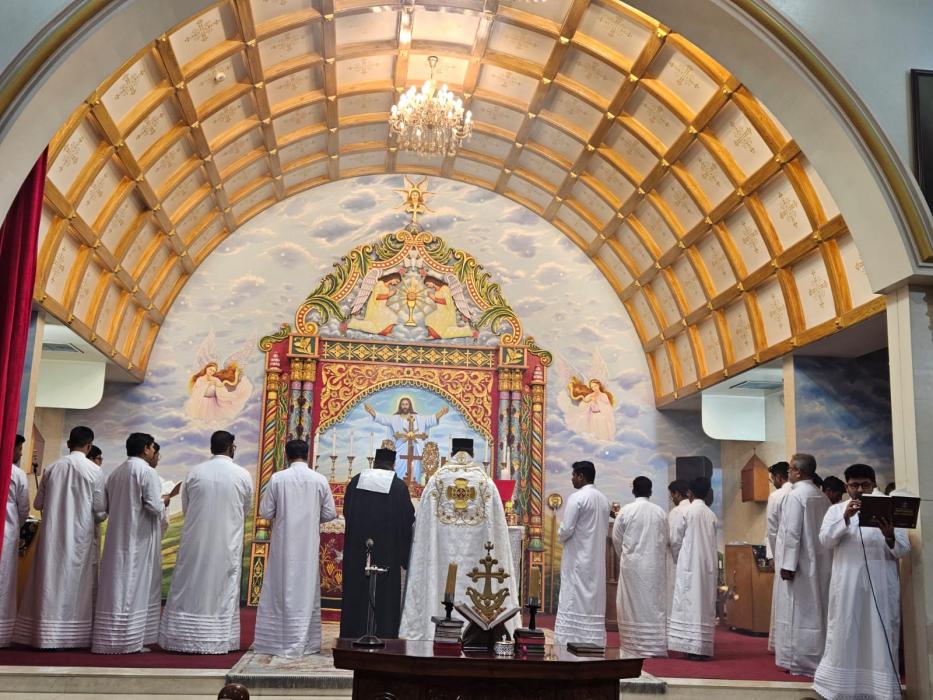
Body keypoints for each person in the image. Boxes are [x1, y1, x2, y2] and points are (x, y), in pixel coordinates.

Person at [399, 438, 516, 640]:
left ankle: (431, 629)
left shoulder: (437, 480)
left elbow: (422, 527)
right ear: (473, 453)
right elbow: (497, 529)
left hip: (441, 557)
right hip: (479, 560)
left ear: (452, 452)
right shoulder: (486, 483)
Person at [813, 464, 909, 700]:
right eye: (853, 485)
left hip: (880, 584)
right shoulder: (836, 510)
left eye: (864, 485)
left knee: (879, 635)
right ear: (846, 487)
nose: (859, 490)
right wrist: (844, 519)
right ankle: (841, 689)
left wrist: (889, 535)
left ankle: (880, 692)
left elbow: (903, 549)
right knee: (846, 632)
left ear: (873, 484)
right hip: (847, 585)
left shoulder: (889, 507)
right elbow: (825, 540)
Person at [159, 430, 253, 654]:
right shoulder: (242, 475)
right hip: (226, 541)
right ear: (230, 447)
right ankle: (217, 638)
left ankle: (182, 637)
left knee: (190, 584)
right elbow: (246, 509)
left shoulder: (195, 472)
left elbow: (187, 507)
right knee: (222, 586)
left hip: (196, 540)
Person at [13, 426, 106, 648]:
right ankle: (72, 636)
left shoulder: (52, 468)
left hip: (52, 536)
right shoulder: (95, 471)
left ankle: (44, 634)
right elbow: (100, 511)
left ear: (68, 444)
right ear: (89, 446)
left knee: (49, 581)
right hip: (80, 537)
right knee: (75, 584)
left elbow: (38, 504)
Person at [92, 432, 174, 654]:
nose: (154, 452)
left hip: (117, 539)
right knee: (134, 586)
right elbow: (154, 507)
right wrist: (165, 500)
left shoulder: (116, 473)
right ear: (146, 448)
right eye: (153, 448)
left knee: (117, 585)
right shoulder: (146, 471)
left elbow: (105, 508)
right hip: (139, 539)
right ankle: (128, 640)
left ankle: (110, 637)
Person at [254, 439, 336, 657]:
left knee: (281, 587)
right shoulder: (319, 479)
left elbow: (265, 512)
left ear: (286, 455)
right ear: (307, 455)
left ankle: (276, 642)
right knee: (304, 588)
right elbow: (330, 513)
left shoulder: (278, 478)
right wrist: (312, 516)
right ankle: (304, 641)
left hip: (283, 543)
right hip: (307, 544)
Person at [340, 448, 414, 640]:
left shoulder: (356, 481)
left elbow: (347, 512)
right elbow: (407, 521)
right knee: (385, 597)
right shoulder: (398, 487)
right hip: (387, 552)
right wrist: (404, 556)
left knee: (356, 591)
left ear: (374, 463)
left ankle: (351, 634)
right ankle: (384, 635)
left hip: (357, 550)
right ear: (393, 465)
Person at [772, 453, 832, 676]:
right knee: (817, 609)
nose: (788, 472)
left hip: (800, 563)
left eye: (790, 468)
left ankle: (798, 661)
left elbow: (792, 531)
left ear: (798, 472)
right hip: (821, 561)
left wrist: (788, 565)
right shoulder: (820, 495)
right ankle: (818, 658)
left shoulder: (796, 495)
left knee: (797, 610)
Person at [554, 460, 610, 646]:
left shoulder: (577, 498)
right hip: (596, 559)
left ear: (581, 476)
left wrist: (559, 535)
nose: (572, 479)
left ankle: (570, 639)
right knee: (592, 599)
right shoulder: (603, 500)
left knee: (574, 596)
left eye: (573, 475)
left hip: (577, 558)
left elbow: (566, 529)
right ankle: (592, 639)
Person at [612, 476, 668, 657]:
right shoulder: (660, 512)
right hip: (654, 566)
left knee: (631, 604)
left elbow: (616, 539)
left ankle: (632, 645)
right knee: (653, 603)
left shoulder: (626, 511)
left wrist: (625, 556)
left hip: (632, 566)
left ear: (633, 490)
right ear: (650, 491)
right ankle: (654, 645)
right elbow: (664, 539)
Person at [668, 476, 718, 659]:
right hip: (707, 565)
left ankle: (690, 647)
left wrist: (678, 559)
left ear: (690, 493)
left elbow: (675, 540)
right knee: (703, 604)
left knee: (688, 603)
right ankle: (703, 648)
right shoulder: (711, 514)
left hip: (689, 563)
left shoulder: (686, 511)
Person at [364, 397, 448, 482]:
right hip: (400, 449)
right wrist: (373, 413)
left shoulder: (417, 418)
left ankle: (414, 485)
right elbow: (383, 419)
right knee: (398, 467)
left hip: (415, 450)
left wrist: (441, 413)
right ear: (400, 406)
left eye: (406, 404)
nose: (405, 406)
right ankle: (399, 486)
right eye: (403, 404)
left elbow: (429, 420)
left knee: (415, 470)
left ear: (410, 405)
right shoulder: (395, 418)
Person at [0, 435, 30, 646]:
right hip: (8, 532)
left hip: (9, 531)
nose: (20, 453)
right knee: (4, 579)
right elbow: (24, 509)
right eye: (19, 449)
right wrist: (14, 525)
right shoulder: (17, 474)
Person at [766, 460, 791, 652]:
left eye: (772, 478)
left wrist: (775, 555)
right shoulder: (810, 493)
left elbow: (772, 530)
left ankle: (782, 643)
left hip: (783, 552)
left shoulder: (777, 496)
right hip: (807, 556)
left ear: (779, 477)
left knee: (784, 598)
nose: (773, 482)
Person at [667, 479, 691, 616]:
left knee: (676, 593)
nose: (672, 499)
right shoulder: (696, 509)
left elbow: (674, 539)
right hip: (693, 559)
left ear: (677, 493)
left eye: (672, 495)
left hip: (678, 559)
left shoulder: (677, 511)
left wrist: (676, 558)